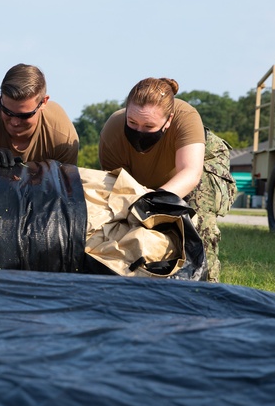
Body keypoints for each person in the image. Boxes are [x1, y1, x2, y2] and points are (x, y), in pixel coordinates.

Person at [99, 77, 235, 282]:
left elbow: (190, 173)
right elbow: (117, 189)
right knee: (125, 217)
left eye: (148, 126)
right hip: (151, 181)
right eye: (132, 122)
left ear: (168, 121)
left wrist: (150, 203)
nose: (139, 131)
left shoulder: (186, 117)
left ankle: (206, 284)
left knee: (198, 208)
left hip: (199, 166)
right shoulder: (113, 131)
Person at [0, 64, 78, 167]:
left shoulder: (61, 136)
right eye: (7, 112)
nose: (14, 122)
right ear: (1, 99)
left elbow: (65, 192)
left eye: (24, 116)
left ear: (43, 102)